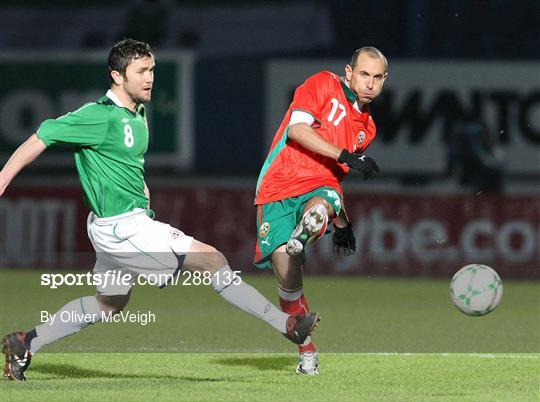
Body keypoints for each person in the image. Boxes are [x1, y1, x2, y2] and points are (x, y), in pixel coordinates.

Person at [0, 39, 319, 381]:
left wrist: (141, 188)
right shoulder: (98, 116)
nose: (150, 77)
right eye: (141, 71)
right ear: (117, 77)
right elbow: (41, 137)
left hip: (115, 227)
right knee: (212, 260)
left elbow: (125, 161)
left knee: (108, 305)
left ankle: (25, 342)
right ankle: (287, 325)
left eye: (152, 69)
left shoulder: (137, 112)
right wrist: (3, 178)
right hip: (124, 229)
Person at [254, 47, 388, 375]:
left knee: (324, 200)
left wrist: (343, 224)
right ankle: (307, 350)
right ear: (349, 72)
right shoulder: (322, 84)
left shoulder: (366, 129)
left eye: (377, 77)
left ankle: (307, 228)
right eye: (364, 74)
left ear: (384, 82)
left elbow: (336, 174)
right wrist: (346, 155)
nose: (369, 83)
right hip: (279, 186)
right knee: (288, 276)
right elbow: (297, 131)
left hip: (321, 187)